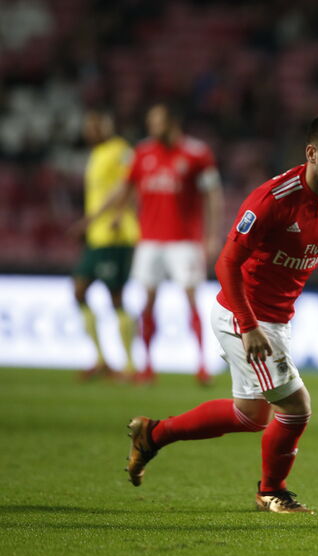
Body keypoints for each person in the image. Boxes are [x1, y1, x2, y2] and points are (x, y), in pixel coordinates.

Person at [125, 112, 318, 512]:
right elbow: (225, 265)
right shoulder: (273, 199)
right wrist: (249, 325)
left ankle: (153, 434)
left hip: (277, 319)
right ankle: (272, 491)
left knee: (251, 415)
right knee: (296, 407)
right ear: (311, 153)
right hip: (244, 314)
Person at [91, 102, 223, 385]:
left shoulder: (197, 154)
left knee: (191, 300)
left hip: (184, 241)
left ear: (172, 122)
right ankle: (147, 365)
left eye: (157, 122)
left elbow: (213, 196)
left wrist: (212, 236)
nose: (151, 127)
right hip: (149, 240)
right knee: (148, 302)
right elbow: (125, 187)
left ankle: (201, 364)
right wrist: (114, 215)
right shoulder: (142, 153)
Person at [72, 109, 139, 380]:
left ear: (104, 126)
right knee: (79, 290)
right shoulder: (97, 154)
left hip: (116, 235)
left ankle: (130, 367)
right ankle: (101, 360)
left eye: (93, 126)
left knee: (116, 298)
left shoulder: (120, 150)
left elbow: (131, 185)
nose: (88, 132)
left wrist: (120, 215)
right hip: (97, 237)